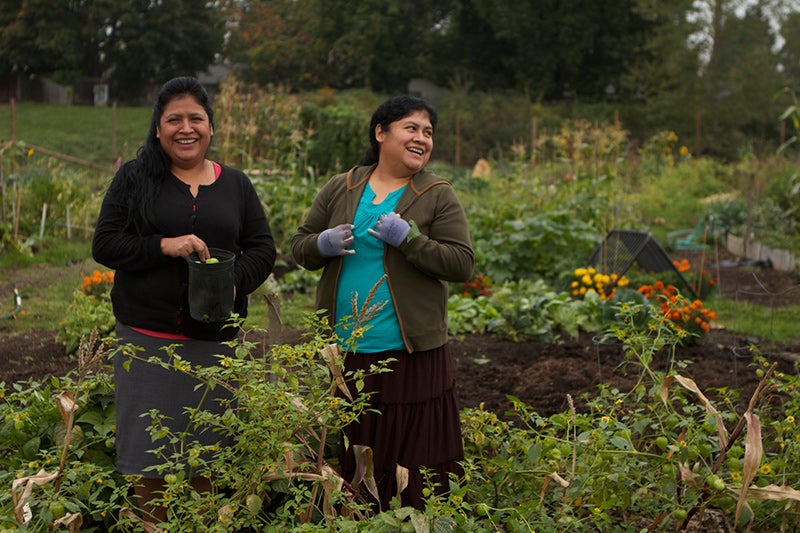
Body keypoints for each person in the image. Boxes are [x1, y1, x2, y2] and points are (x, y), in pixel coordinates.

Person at [92, 76, 276, 523]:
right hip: (147, 339)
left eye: (196, 118)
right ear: (158, 128)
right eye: (173, 119)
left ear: (211, 127)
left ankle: (201, 524)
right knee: (148, 455)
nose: (185, 127)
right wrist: (162, 245)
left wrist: (235, 285)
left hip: (214, 345)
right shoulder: (136, 178)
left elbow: (263, 247)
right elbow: (106, 244)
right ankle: (153, 526)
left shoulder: (235, 184)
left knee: (208, 454)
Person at [291, 95, 473, 510]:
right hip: (347, 352)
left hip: (410, 353)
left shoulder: (436, 193)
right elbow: (300, 246)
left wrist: (410, 240)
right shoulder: (343, 186)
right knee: (356, 451)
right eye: (411, 128)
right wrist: (322, 243)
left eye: (428, 132)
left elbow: (461, 263)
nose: (422, 138)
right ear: (380, 133)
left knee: (413, 459)